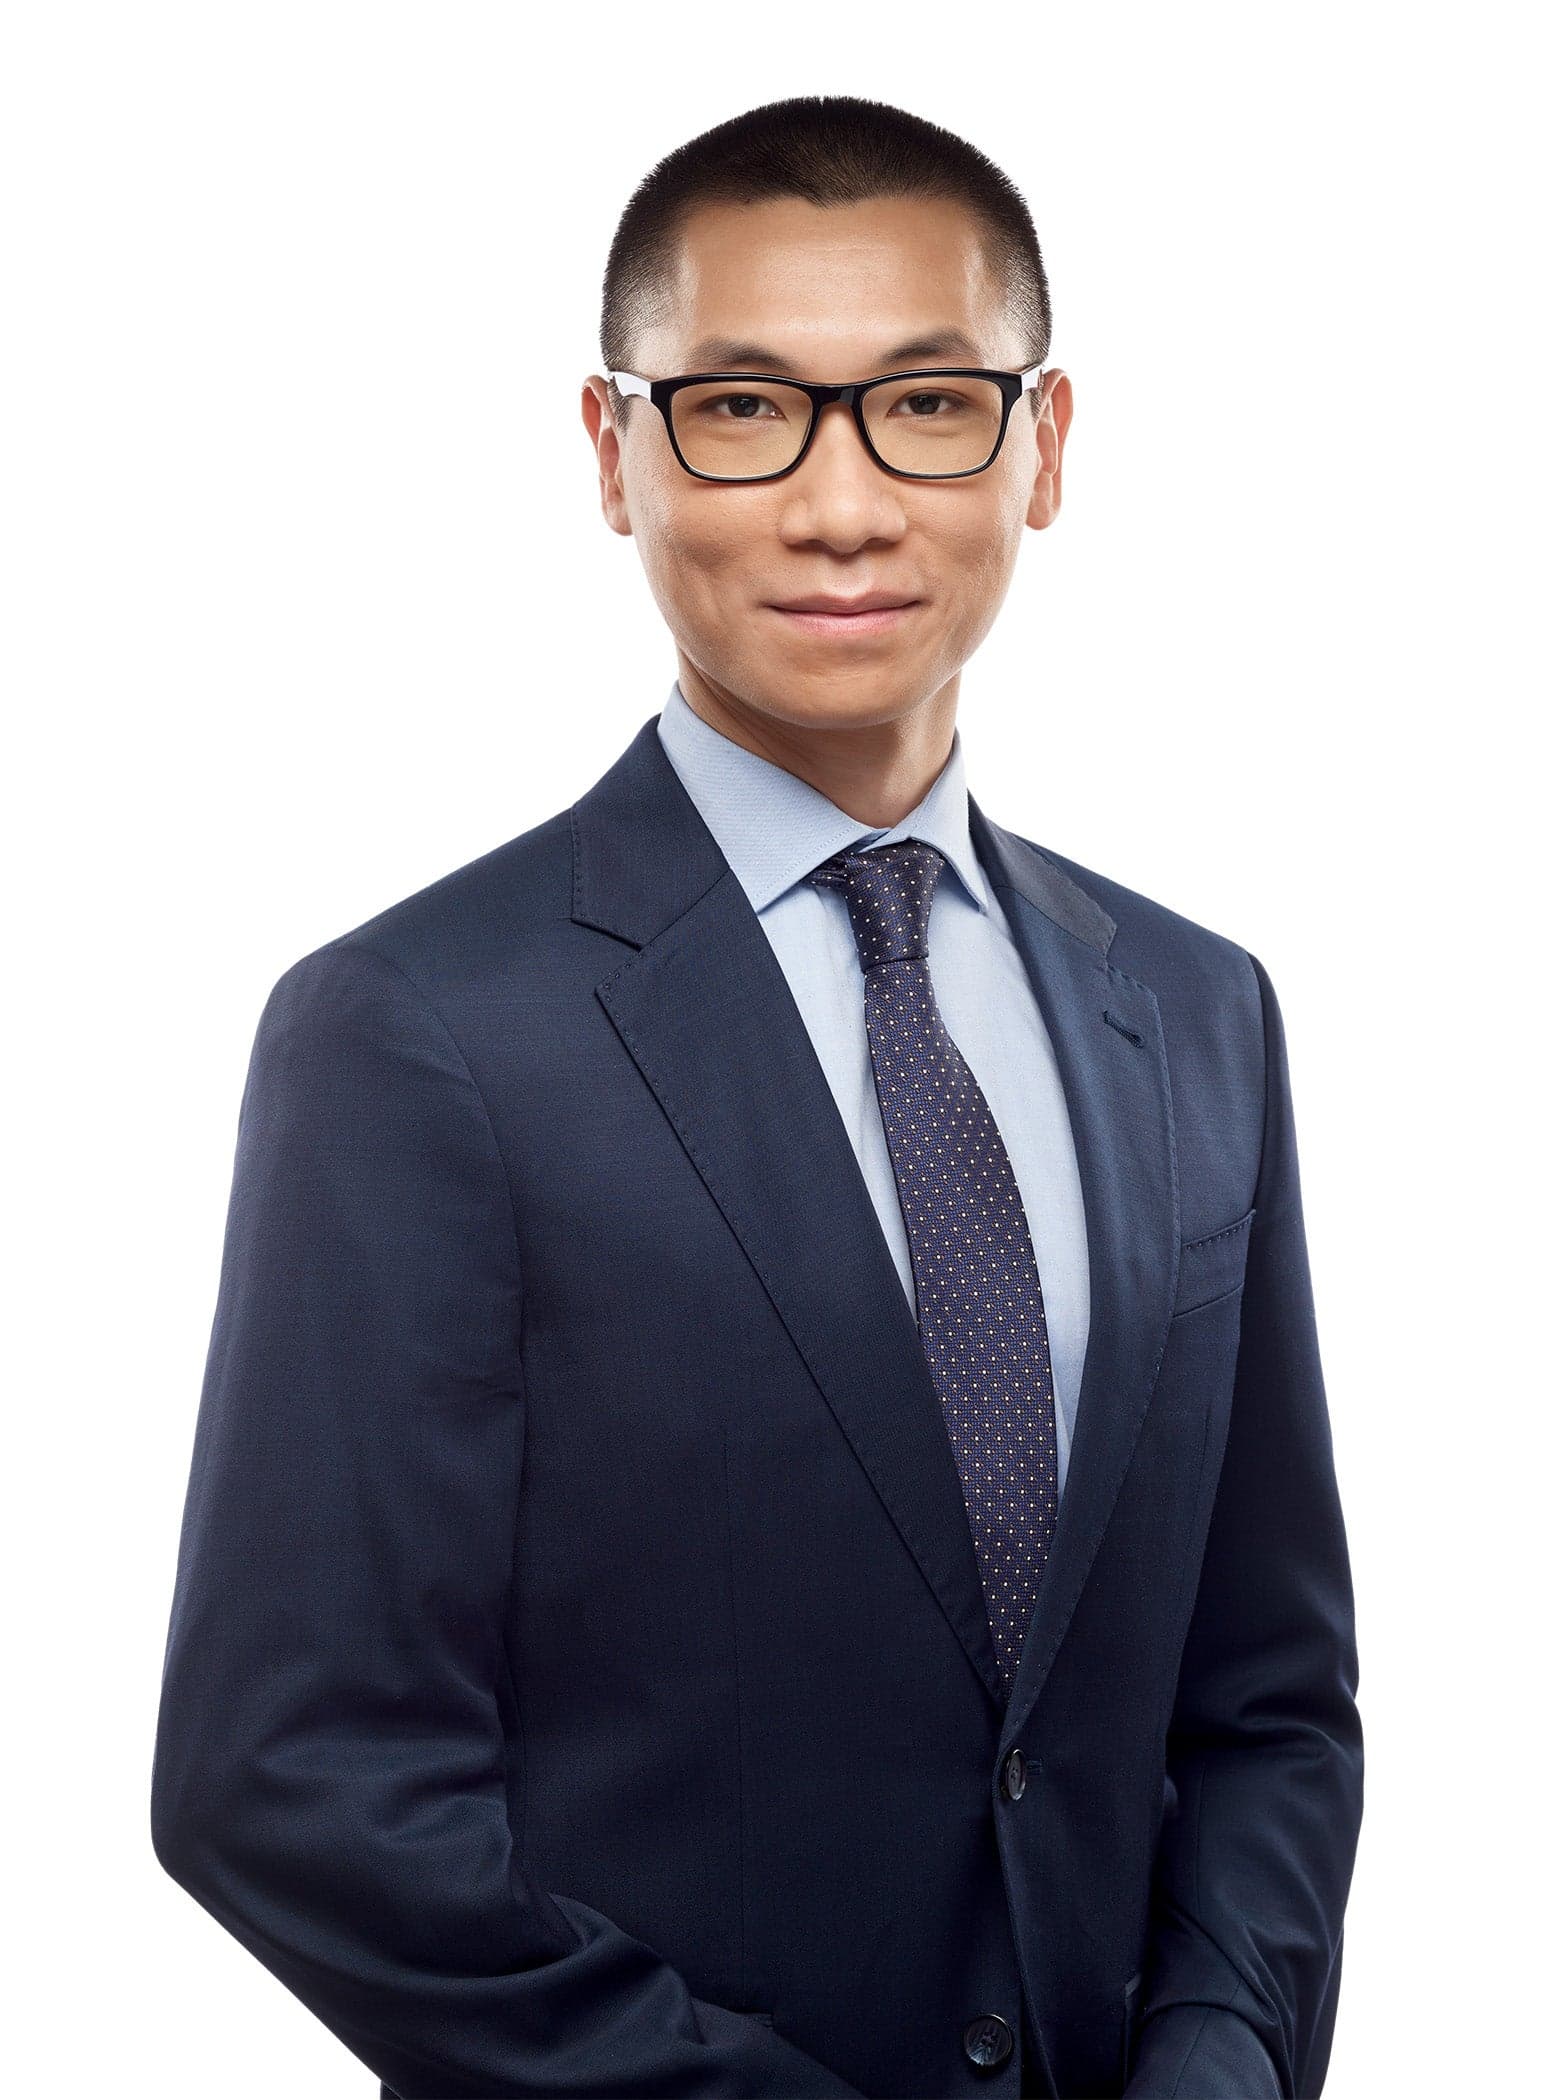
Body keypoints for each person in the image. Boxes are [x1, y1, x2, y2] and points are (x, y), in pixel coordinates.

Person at [151, 94, 1362, 2100]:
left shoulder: (1194, 1007)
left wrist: (1220, 2060)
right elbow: (291, 1782)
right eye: (739, 411)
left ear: (1043, 446)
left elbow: (1264, 1699)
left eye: (927, 406)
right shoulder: (417, 1030)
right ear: (611, 451)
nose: (840, 505)